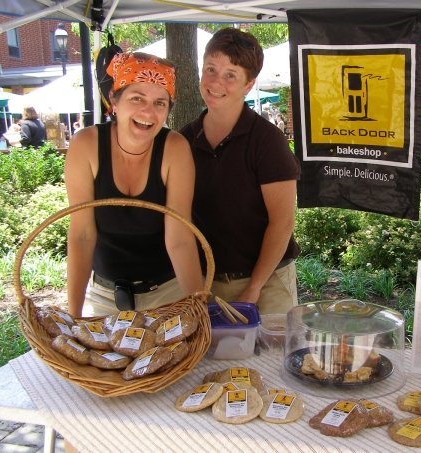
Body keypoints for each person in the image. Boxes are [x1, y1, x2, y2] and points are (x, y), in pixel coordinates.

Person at [64, 51, 203, 318]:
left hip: (168, 295)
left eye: (160, 103)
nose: (148, 112)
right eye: (137, 98)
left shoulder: (174, 148)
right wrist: (73, 316)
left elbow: (180, 239)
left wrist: (197, 308)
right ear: (114, 101)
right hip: (105, 296)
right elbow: (82, 235)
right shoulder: (86, 145)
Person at [180, 28, 300, 315]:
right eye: (211, 69)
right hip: (206, 284)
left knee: (269, 360)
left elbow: (282, 223)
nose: (215, 82)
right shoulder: (184, 140)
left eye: (230, 74)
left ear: (249, 84)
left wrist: (254, 288)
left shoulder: (266, 140)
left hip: (267, 282)